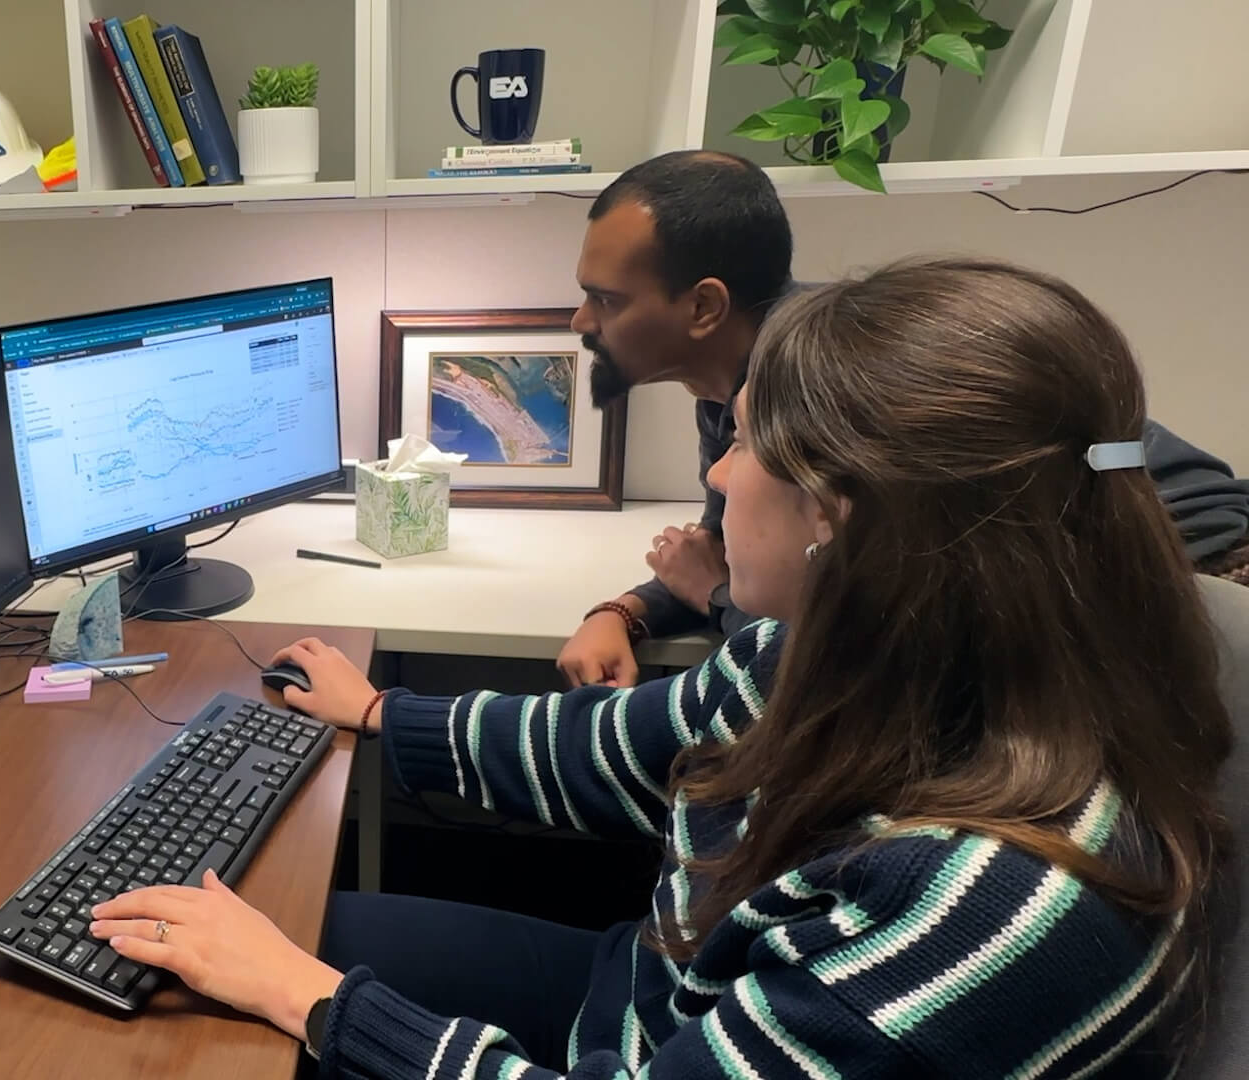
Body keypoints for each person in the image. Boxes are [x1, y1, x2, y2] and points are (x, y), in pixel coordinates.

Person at [86, 258, 1234, 1077]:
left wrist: (312, 1003)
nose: (720, 477)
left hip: (662, 1044)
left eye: (741, 442)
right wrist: (384, 711)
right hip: (650, 999)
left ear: (836, 514)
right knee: (207, 955)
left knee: (215, 1007)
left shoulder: (989, 916)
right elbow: (634, 745)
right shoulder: (849, 655)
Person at [556, 150, 1249, 688]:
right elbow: (740, 555)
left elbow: (848, 642)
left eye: (606, 300)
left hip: (1192, 578)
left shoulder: (825, 384)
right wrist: (625, 611)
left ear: (704, 308)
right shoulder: (749, 373)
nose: (583, 321)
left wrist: (708, 594)